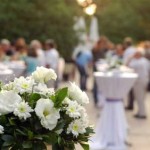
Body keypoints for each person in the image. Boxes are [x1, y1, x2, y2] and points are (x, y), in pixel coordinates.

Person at [128, 48, 150, 119]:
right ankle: (140, 111)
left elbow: (128, 65)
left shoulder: (138, 62)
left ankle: (142, 113)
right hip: (145, 80)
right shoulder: (145, 61)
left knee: (139, 98)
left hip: (139, 81)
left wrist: (130, 58)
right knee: (141, 98)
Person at [92, 36, 109, 106]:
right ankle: (96, 99)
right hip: (97, 68)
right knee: (96, 84)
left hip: (102, 68)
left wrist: (105, 42)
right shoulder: (95, 49)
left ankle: (100, 99)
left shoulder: (103, 49)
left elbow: (111, 46)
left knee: (101, 84)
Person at [123, 37, 136, 110]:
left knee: (129, 88)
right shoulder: (134, 49)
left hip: (129, 70)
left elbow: (125, 63)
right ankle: (131, 103)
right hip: (134, 70)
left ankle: (130, 104)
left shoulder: (127, 51)